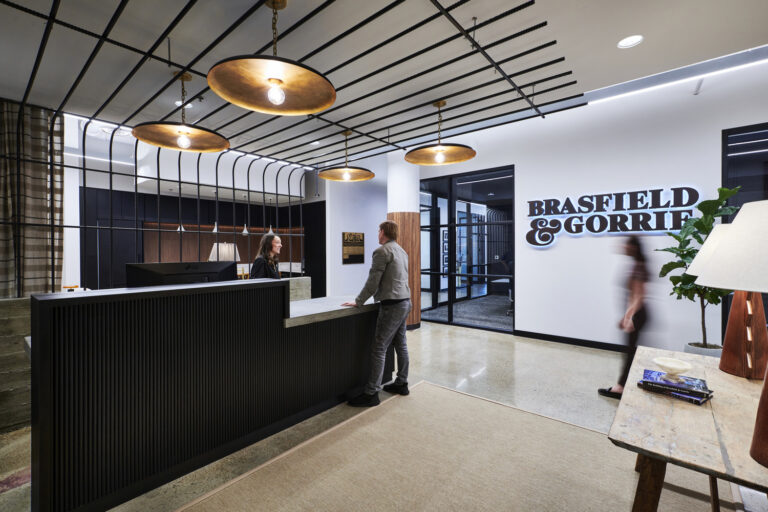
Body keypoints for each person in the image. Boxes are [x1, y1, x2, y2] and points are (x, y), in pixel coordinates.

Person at [342, 220, 411, 407]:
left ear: (383, 232)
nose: (377, 234)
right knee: (401, 344)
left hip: (392, 305)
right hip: (405, 301)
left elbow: (373, 282)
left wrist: (358, 301)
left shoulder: (381, 252)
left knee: (379, 348)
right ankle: (402, 383)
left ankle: (371, 393)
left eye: (379, 230)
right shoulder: (401, 250)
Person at [599, 235, 649, 399]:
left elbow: (638, 296)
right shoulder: (637, 265)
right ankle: (626, 383)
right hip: (637, 313)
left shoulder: (638, 266)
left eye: (626, 245)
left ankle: (620, 387)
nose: (623, 247)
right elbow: (634, 295)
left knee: (630, 351)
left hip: (638, 314)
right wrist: (626, 316)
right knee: (632, 351)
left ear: (633, 247)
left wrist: (629, 317)